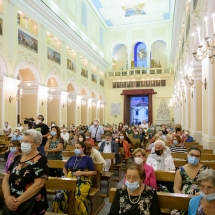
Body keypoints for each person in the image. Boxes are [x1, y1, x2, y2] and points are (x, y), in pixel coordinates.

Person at [2, 129, 49, 215]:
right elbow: (6, 179)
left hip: (30, 204)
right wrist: (7, 197)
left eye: (27, 141)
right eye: (22, 141)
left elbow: (39, 184)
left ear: (36, 144)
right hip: (12, 202)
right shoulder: (18, 158)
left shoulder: (41, 159)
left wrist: (17, 202)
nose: (23, 143)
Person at [52, 142, 96, 215]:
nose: (76, 149)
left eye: (78, 148)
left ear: (83, 148)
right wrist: (66, 178)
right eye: (75, 148)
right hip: (70, 180)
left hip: (83, 181)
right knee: (59, 195)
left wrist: (82, 173)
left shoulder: (88, 158)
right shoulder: (72, 158)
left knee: (76, 197)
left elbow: (94, 172)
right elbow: (65, 168)